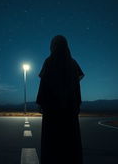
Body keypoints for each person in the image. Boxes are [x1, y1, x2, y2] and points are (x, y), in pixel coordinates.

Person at [36, 35, 84, 164]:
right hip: (69, 109)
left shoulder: (49, 61)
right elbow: (76, 88)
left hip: (52, 111)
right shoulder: (73, 63)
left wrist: (40, 103)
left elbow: (43, 85)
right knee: (70, 142)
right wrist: (77, 104)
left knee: (51, 142)